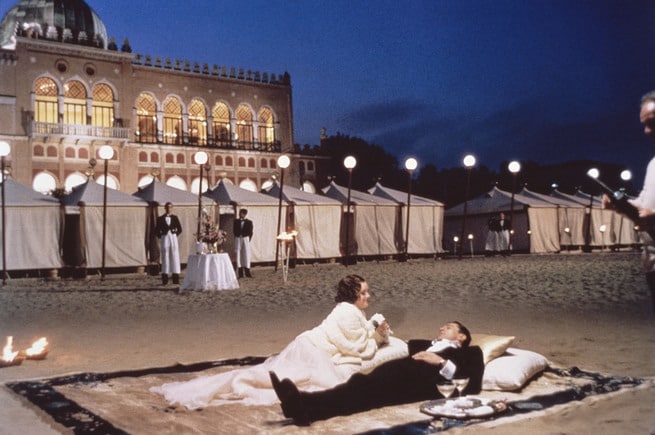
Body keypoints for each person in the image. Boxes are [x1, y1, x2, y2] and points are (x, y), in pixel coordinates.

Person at [150, 274, 392, 409]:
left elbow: (357, 342)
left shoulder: (354, 313)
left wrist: (376, 332)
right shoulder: (346, 312)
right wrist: (375, 333)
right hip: (310, 350)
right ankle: (234, 382)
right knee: (275, 377)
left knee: (280, 376)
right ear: (353, 296)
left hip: (310, 349)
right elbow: (354, 348)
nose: (368, 296)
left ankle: (239, 382)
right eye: (363, 293)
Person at [270, 321, 484, 424]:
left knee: (362, 390)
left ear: (462, 336)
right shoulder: (426, 344)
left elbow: (471, 385)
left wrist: (440, 361)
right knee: (359, 389)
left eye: (448, 327)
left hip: (417, 383)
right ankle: (304, 407)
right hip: (398, 374)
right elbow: (395, 341)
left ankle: (302, 403)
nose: (441, 328)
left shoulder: (470, 353)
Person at [604, 91, 655, 312]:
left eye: (652, 123)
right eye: (644, 125)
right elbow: (644, 205)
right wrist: (621, 206)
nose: (646, 131)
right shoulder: (653, 165)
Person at [155, 202, 182, 285]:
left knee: (175, 256)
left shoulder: (175, 218)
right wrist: (161, 236)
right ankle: (165, 278)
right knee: (165, 256)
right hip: (165, 238)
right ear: (165, 208)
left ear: (172, 208)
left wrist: (175, 234)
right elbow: (156, 230)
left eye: (170, 207)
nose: (168, 209)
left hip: (173, 238)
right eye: (167, 207)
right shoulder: (160, 218)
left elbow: (180, 229)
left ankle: (175, 278)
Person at [233, 208, 253, 278]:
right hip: (238, 238)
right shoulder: (236, 221)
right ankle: (240, 271)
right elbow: (234, 230)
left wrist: (248, 239)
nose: (240, 214)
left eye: (241, 213)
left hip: (245, 238)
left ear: (244, 214)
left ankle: (247, 271)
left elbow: (250, 232)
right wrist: (237, 235)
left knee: (246, 254)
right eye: (239, 213)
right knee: (238, 253)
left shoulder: (249, 222)